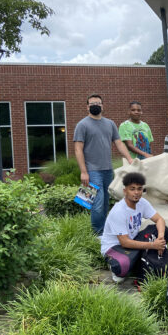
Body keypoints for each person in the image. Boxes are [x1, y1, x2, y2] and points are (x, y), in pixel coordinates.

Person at [74, 94, 134, 235]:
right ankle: (98, 233)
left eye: (98, 103)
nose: (95, 105)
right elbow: (78, 149)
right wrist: (83, 171)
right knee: (98, 202)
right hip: (92, 170)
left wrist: (129, 159)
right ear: (87, 106)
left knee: (106, 202)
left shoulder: (110, 124)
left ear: (102, 106)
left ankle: (105, 229)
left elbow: (119, 143)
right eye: (92, 103)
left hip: (108, 170)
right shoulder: (82, 125)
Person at [101, 172, 168, 283]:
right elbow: (124, 242)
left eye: (139, 189)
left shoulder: (142, 202)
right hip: (115, 247)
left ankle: (140, 258)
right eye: (132, 189)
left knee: (163, 230)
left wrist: (160, 238)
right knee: (122, 266)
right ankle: (130, 262)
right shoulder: (118, 211)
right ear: (125, 191)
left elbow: (159, 219)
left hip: (133, 241)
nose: (136, 192)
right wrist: (153, 245)